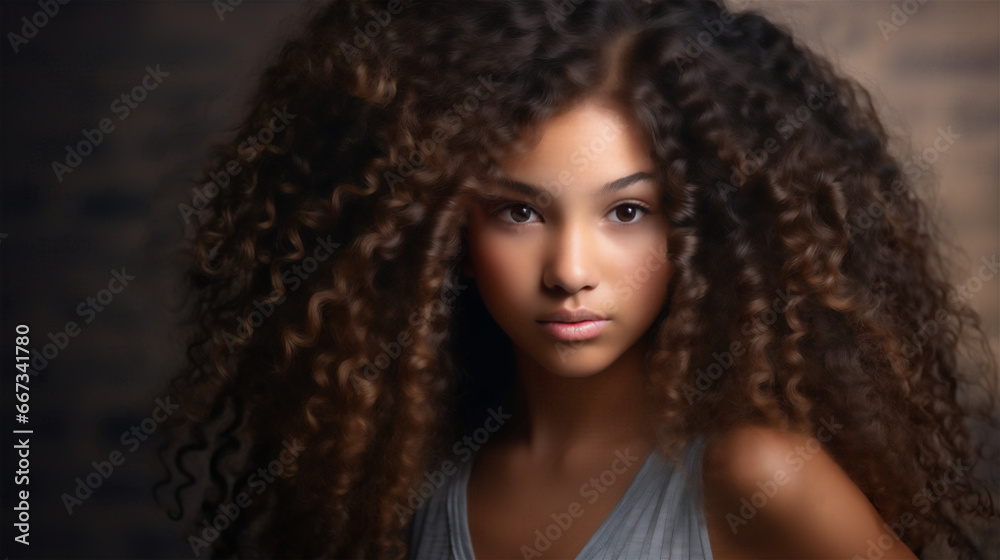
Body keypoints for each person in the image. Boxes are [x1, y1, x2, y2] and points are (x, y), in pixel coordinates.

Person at [158, 0, 998, 558]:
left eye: (628, 213)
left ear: (709, 229)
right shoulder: (407, 487)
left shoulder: (753, 473)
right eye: (518, 212)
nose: (569, 271)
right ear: (437, 231)